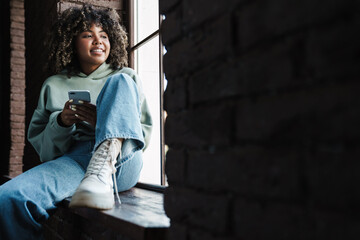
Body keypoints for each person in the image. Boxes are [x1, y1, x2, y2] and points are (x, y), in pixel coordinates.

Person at [0, 4, 152, 239]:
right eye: (87, 35)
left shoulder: (126, 77)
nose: (98, 41)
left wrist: (104, 123)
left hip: (122, 159)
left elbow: (143, 134)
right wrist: (60, 122)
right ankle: (94, 177)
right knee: (7, 199)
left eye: (104, 35)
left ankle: (103, 163)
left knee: (119, 82)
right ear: (71, 41)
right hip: (76, 160)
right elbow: (44, 151)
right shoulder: (53, 84)